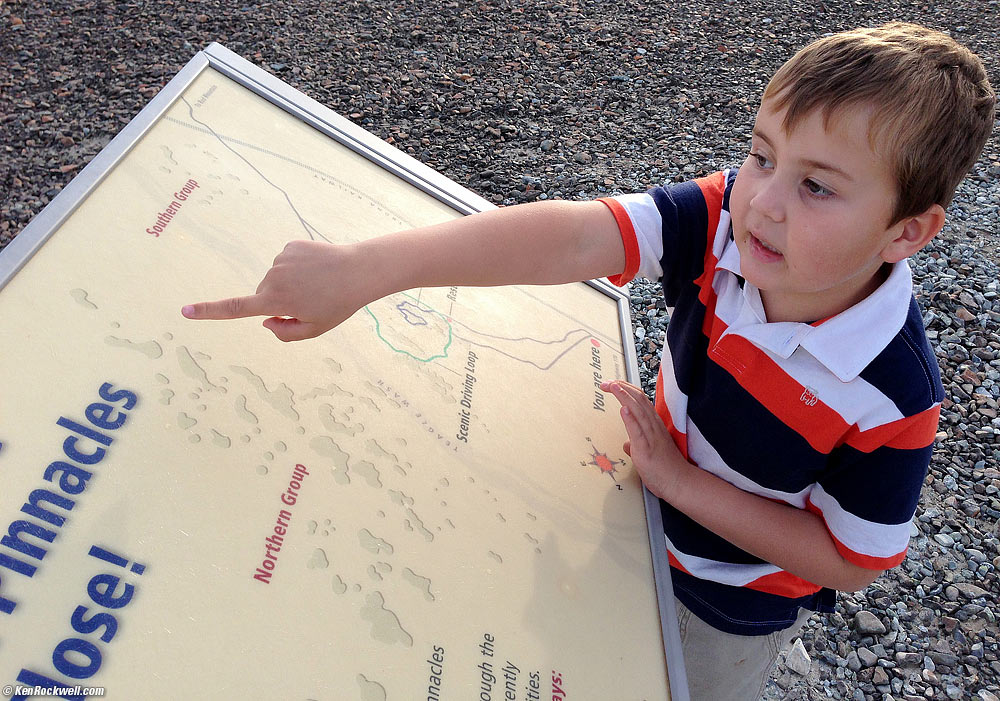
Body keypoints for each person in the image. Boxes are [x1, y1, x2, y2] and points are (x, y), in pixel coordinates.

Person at [182, 23, 995, 701]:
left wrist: (681, 483)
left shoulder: (893, 393)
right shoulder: (723, 221)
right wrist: (368, 268)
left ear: (906, 232)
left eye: (817, 186)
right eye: (760, 152)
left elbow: (850, 560)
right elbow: (575, 234)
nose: (762, 201)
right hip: (632, 515)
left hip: (727, 604)